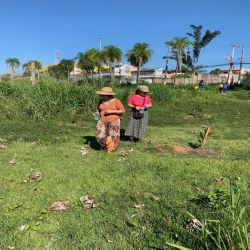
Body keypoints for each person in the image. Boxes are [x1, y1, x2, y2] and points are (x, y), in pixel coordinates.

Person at [95, 87, 125, 152]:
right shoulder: (101, 101)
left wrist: (112, 111)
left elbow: (122, 110)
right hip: (102, 120)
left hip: (114, 120)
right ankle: (105, 145)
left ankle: (111, 148)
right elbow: (99, 109)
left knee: (113, 135)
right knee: (99, 134)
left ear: (109, 95)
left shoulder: (116, 101)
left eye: (104, 95)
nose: (102, 96)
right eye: (101, 94)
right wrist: (96, 112)